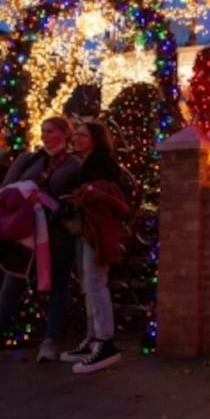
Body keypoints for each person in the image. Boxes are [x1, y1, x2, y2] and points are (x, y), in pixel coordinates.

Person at [0, 117, 81, 367]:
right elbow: (5, 190)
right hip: (24, 238)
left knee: (58, 288)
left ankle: (50, 342)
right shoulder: (29, 160)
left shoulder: (74, 165)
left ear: (65, 134)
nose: (45, 136)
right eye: (43, 131)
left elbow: (73, 202)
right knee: (10, 290)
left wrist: (46, 201)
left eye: (51, 131)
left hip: (55, 237)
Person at [60, 121, 129, 374]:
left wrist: (80, 197)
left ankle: (105, 342)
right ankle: (93, 337)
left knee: (96, 283)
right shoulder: (93, 162)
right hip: (90, 229)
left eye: (82, 135)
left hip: (96, 230)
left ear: (95, 139)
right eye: (75, 134)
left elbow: (102, 198)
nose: (76, 138)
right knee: (90, 284)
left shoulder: (98, 165)